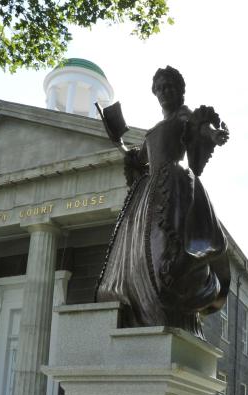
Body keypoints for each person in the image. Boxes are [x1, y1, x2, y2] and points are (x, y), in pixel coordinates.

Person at [96, 66, 231, 339]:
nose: (166, 91)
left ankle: (176, 293)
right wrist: (120, 145)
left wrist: (214, 135)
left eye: (171, 86)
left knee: (173, 250)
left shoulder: (186, 116)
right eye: (161, 87)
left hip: (177, 188)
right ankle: (145, 305)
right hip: (150, 193)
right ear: (155, 93)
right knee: (144, 251)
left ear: (181, 90)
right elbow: (139, 159)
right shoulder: (153, 130)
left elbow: (204, 128)